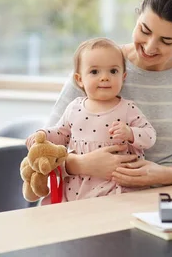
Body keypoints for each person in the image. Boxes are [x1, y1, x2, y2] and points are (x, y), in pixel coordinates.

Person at [28, 0, 172, 198]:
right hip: (97, 201)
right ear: (138, 15)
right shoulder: (99, 66)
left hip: (171, 202)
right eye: (145, 30)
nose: (150, 47)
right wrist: (81, 164)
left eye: (166, 41)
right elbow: (40, 155)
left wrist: (165, 174)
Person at [26, 37, 156, 201]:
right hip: (77, 190)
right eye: (95, 72)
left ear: (123, 77)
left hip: (117, 189)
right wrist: (43, 135)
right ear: (79, 79)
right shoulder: (74, 108)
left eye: (113, 71)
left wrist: (130, 133)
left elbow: (150, 136)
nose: (105, 77)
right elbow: (61, 133)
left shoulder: (127, 108)